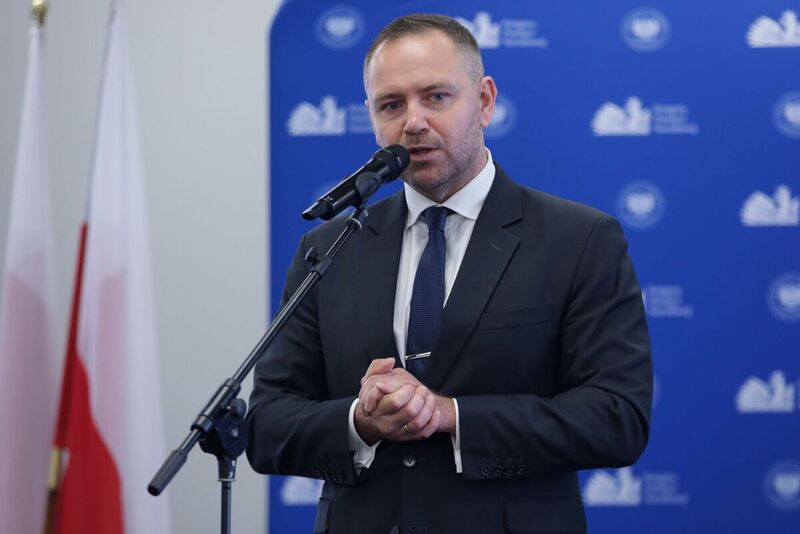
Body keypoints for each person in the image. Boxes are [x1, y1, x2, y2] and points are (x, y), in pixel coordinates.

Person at [247, 13, 652, 534]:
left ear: (484, 101)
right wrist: (360, 421)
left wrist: (449, 415)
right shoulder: (329, 247)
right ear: (370, 115)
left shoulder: (578, 239)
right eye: (391, 105)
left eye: (436, 97)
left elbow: (618, 417)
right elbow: (266, 424)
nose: (412, 122)